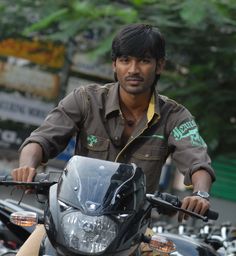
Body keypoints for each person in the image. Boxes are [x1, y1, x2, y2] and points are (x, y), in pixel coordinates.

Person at [12, 23, 215, 255]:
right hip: (70, 223)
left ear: (160, 65)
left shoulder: (175, 116)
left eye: (144, 61)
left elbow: (197, 160)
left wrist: (200, 194)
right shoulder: (85, 99)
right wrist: (26, 166)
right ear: (114, 64)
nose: (133, 69)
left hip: (133, 233)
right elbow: (40, 139)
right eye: (125, 60)